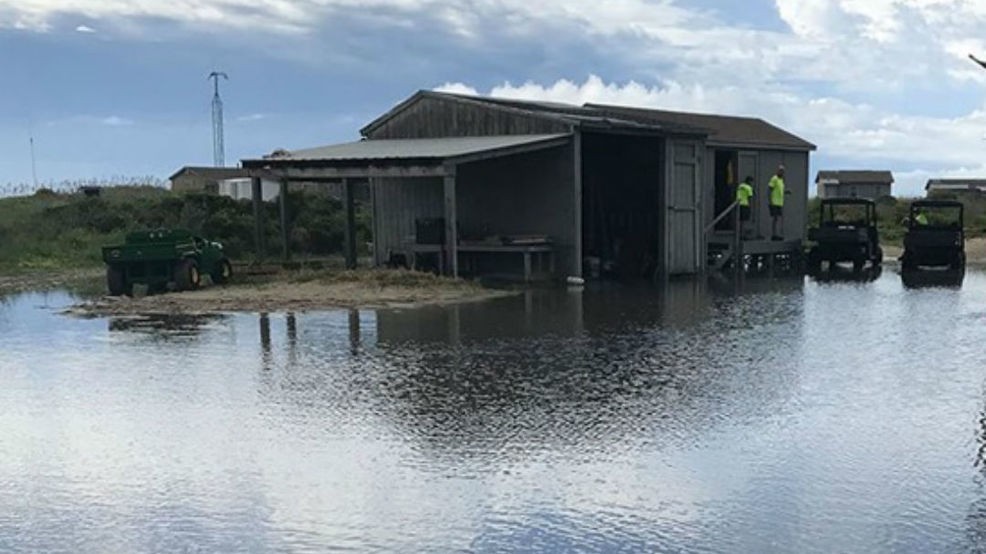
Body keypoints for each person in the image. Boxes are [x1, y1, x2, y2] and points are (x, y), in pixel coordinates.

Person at [768, 165, 787, 240]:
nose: (782, 172)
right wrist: (770, 201)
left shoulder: (781, 180)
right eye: (780, 170)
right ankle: (774, 234)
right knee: (775, 218)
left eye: (783, 171)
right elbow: (769, 189)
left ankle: (777, 234)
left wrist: (786, 192)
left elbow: (780, 190)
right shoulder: (774, 179)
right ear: (778, 171)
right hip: (774, 202)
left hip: (780, 202)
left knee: (778, 218)